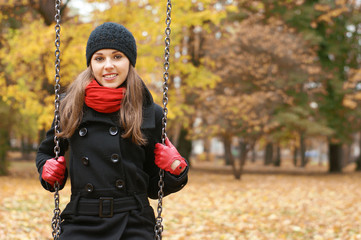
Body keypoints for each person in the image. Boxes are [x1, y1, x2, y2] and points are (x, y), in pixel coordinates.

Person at [36, 22, 188, 240]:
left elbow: (155, 188)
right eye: (99, 58)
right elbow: (46, 153)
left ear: (129, 62)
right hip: (81, 220)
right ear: (90, 64)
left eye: (117, 57)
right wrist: (47, 169)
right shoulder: (69, 108)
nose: (108, 65)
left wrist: (175, 169)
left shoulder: (149, 111)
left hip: (133, 221)